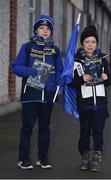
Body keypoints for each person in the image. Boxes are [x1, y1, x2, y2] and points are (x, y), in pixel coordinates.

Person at [12, 15, 63, 170]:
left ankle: (43, 159)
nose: (45, 31)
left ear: (51, 32)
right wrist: (30, 71)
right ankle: (23, 159)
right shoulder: (27, 47)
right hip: (31, 94)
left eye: (48, 29)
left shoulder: (55, 50)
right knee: (27, 127)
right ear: (36, 30)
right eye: (42, 28)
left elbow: (60, 71)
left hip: (48, 95)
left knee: (45, 128)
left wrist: (62, 80)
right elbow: (16, 67)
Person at [69, 25, 111, 171]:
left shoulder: (102, 60)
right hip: (85, 104)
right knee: (84, 132)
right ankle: (85, 156)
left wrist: (107, 77)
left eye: (93, 42)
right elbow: (71, 82)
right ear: (82, 43)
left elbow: (110, 79)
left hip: (100, 104)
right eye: (87, 41)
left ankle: (96, 158)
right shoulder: (77, 62)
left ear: (96, 44)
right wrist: (82, 78)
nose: (90, 44)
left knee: (98, 131)